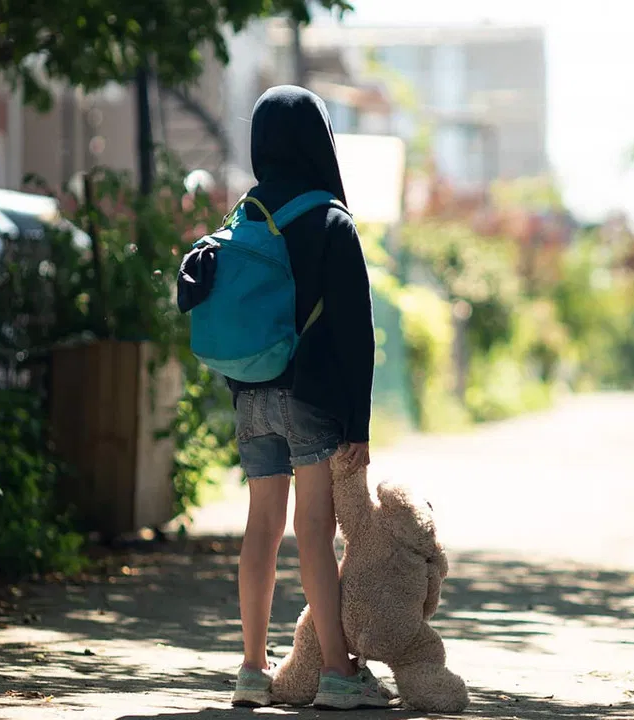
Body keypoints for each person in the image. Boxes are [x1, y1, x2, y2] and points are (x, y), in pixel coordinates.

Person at [226, 85, 390, 709]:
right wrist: (359, 423)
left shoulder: (244, 217)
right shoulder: (329, 219)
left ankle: (250, 669)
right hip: (311, 395)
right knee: (315, 527)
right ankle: (339, 674)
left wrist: (245, 388)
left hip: (250, 393)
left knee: (261, 525)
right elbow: (355, 333)